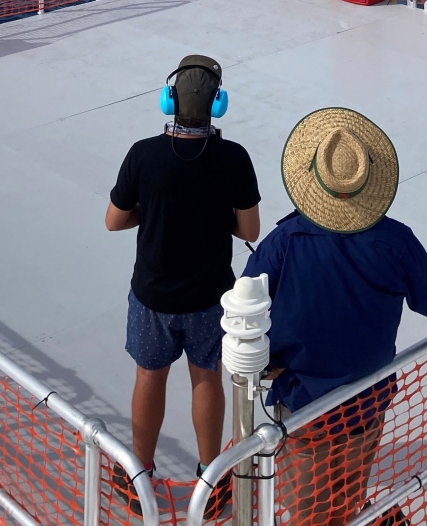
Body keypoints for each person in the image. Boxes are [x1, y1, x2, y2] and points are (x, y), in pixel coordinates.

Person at [242, 107, 427, 526]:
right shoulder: (395, 242)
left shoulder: (282, 242)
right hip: (365, 403)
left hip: (303, 403)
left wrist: (265, 359)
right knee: (347, 496)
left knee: (306, 511)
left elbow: (245, 312)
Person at [105, 54, 261, 517]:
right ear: (218, 105)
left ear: (168, 100)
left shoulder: (142, 155)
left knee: (150, 376)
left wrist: (148, 213)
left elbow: (114, 222)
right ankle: (210, 481)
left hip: (153, 296)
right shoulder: (234, 158)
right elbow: (249, 230)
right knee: (205, 378)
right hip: (210, 297)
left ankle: (140, 477)